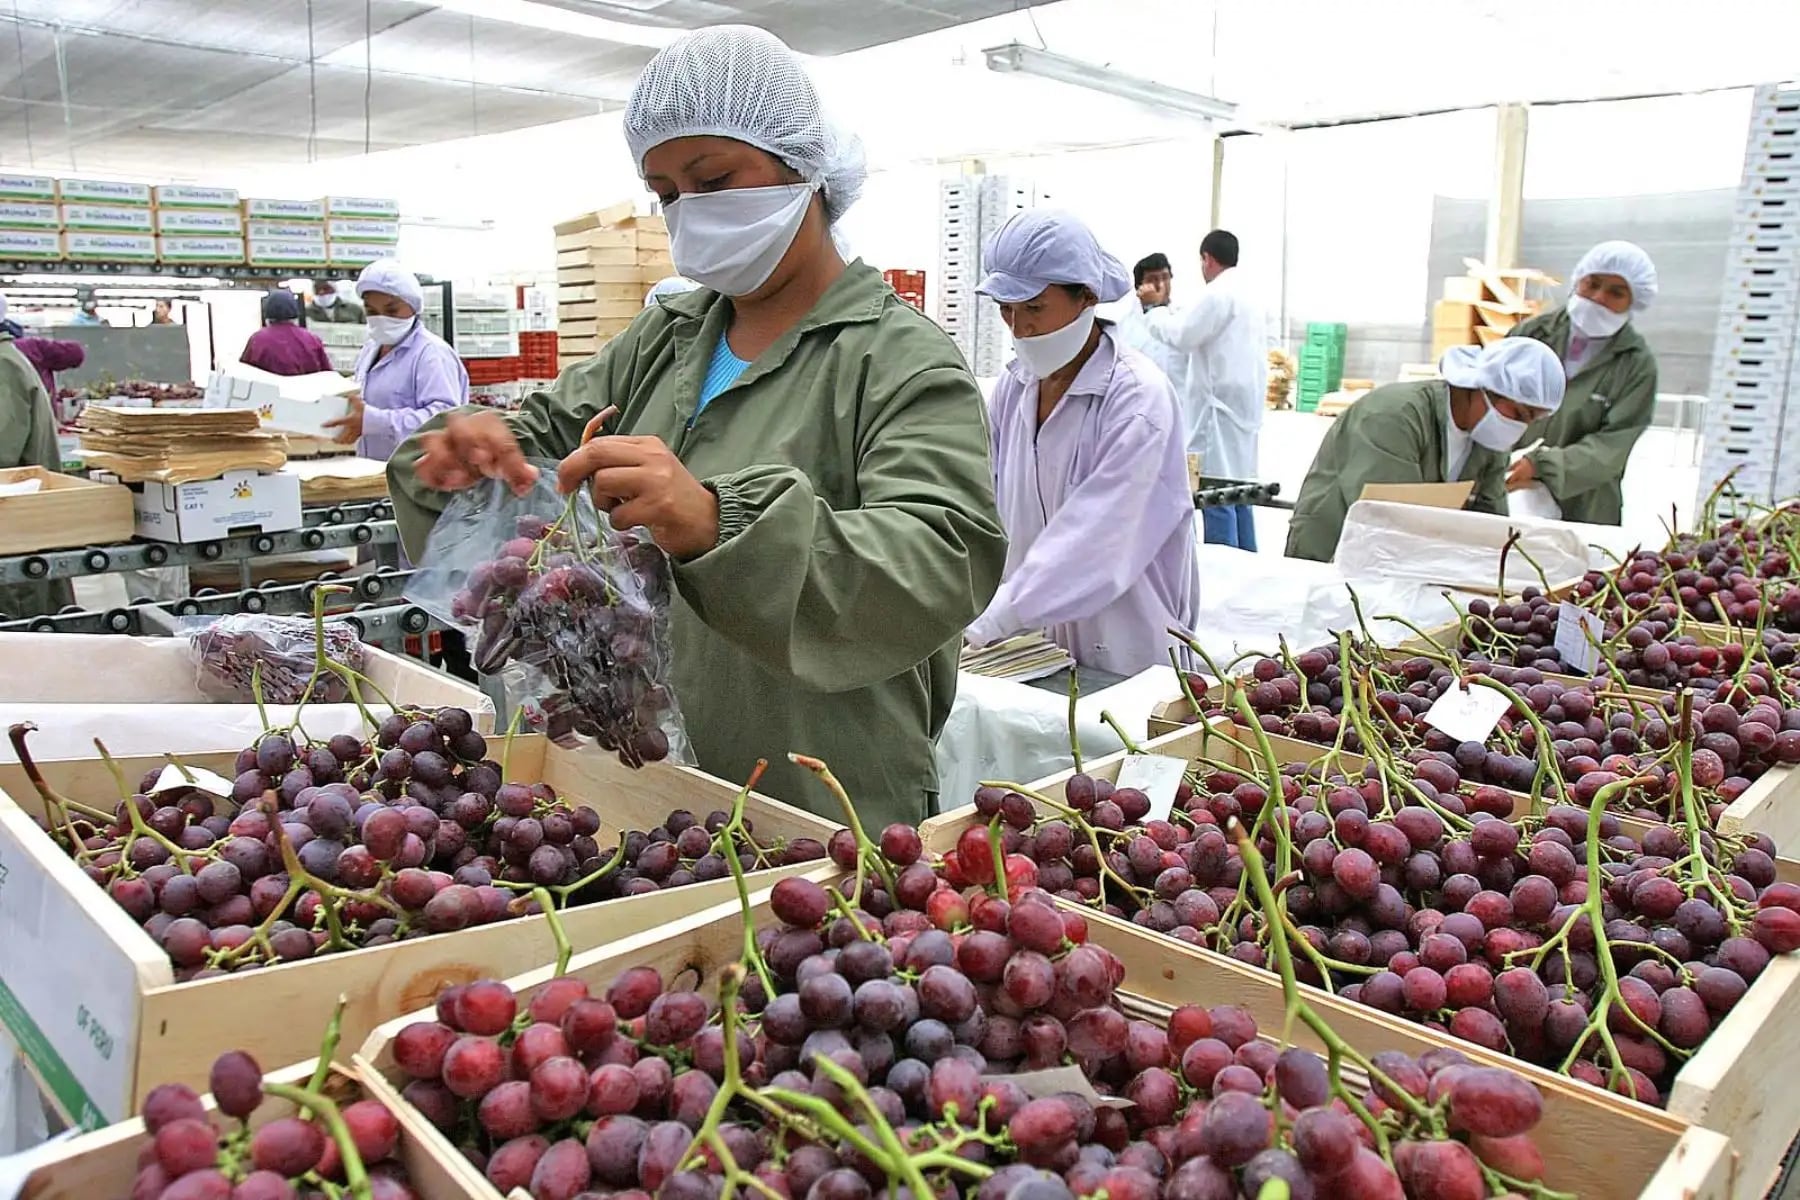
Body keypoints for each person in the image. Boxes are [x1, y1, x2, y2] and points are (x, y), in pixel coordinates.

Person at [385, 24, 1005, 827]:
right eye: (668, 192)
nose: (690, 211)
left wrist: (720, 524)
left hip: (816, 796)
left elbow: (941, 555)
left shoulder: (896, 360)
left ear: (802, 166)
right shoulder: (666, 339)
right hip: (635, 788)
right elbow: (530, 445)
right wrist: (466, 451)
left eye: (713, 178)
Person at [964, 209, 1197, 676]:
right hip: (1030, 650)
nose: (1019, 327)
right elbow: (980, 503)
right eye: (1006, 310)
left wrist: (995, 617)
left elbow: (1097, 537)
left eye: (1033, 308)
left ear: (1086, 298)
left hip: (1127, 654)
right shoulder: (1014, 389)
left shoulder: (1136, 400)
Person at [1285, 338, 1566, 562]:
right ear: (1482, 387)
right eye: (1518, 413)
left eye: (1532, 419)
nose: (1520, 427)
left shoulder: (1489, 442)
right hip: (1331, 553)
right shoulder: (1392, 417)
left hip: (1408, 560)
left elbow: (1489, 525)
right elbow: (1387, 519)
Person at [1504, 241, 1659, 525]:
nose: (1598, 297)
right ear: (1578, 280)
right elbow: (1491, 398)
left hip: (1585, 507)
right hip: (1510, 485)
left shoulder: (1635, 364)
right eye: (1592, 284)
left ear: (1634, 301)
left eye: (1616, 292)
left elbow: (1612, 446)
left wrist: (1543, 466)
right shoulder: (1532, 334)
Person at [1133, 230, 1266, 550]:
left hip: (1215, 411)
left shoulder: (1214, 296)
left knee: (1215, 491)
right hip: (1237, 410)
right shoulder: (1247, 294)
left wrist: (1153, 310)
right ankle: (1246, 563)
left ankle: (1228, 569)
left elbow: (1182, 337)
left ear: (1206, 259)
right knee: (1240, 490)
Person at [324, 261, 467, 460]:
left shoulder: (431, 354)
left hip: (418, 480)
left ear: (413, 306)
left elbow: (445, 420)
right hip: (375, 471)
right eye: (372, 312)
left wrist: (375, 421)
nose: (381, 319)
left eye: (392, 311)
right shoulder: (371, 349)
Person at [0, 320, 74, 618]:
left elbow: (4, 453)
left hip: (16, 528)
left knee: (20, 621)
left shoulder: (4, 368)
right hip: (19, 529)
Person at [1117, 252, 1191, 422]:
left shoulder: (1184, 323)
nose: (1160, 285)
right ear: (1139, 288)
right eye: (1152, 279)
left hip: (1181, 419)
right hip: (1138, 419)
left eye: (1165, 278)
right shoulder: (1123, 330)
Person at [241, 290, 333, 377]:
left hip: (269, 392)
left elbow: (244, 374)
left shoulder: (257, 340)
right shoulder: (312, 340)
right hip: (305, 392)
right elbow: (327, 375)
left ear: (267, 312)